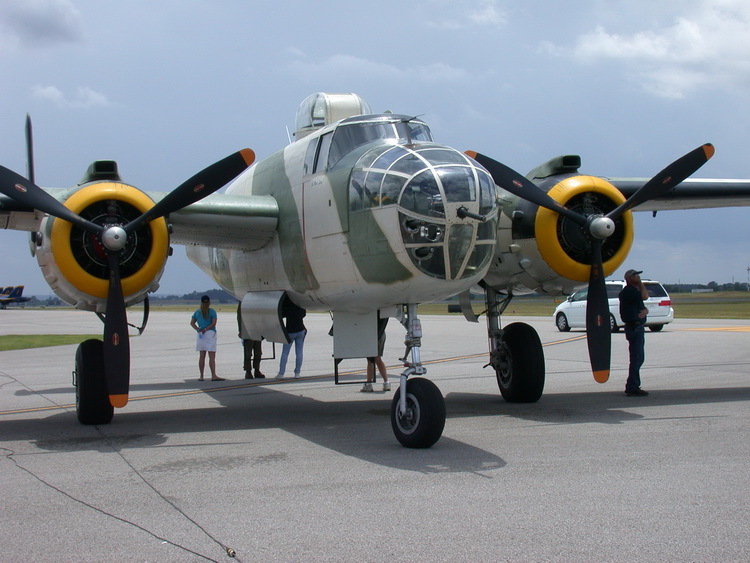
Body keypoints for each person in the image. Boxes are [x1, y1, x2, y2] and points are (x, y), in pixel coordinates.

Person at [619, 269, 650, 396]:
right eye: (636, 276)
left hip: (637, 327)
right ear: (630, 278)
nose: (638, 277)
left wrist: (645, 311)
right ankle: (632, 386)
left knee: (639, 358)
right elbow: (645, 296)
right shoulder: (629, 292)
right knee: (636, 358)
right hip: (634, 328)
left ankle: (633, 384)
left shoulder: (633, 292)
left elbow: (642, 305)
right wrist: (641, 283)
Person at [190, 295, 225, 381]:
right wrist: (206, 329)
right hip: (209, 333)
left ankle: (201, 376)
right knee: (211, 356)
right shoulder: (212, 311)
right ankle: (213, 375)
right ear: (209, 302)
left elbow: (192, 323)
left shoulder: (197, 312)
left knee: (202, 356)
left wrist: (198, 329)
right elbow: (213, 323)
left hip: (201, 334)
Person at [276, 295, 306, 379]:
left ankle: (281, 373)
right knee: (299, 352)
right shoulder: (300, 305)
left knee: (285, 352)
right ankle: (297, 372)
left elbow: (281, 315)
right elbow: (303, 314)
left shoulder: (287, 307)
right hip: (300, 329)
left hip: (290, 331)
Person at [361, 317, 391, 392]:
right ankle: (386, 382)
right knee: (376, 359)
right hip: (380, 333)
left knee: (371, 360)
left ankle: (369, 384)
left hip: (373, 333)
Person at [237, 302, 265, 379]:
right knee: (248, 352)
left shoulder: (258, 301)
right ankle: (248, 371)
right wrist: (240, 330)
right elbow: (239, 316)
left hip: (258, 329)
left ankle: (257, 369)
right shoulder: (243, 300)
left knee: (258, 352)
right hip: (247, 329)